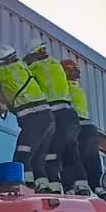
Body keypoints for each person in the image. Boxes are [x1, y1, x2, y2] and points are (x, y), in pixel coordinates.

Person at [0, 45, 55, 190]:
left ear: (0, 61)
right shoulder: (21, 67)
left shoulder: (7, 70)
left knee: (21, 156)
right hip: (48, 119)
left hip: (34, 119)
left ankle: (25, 186)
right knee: (37, 160)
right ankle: (42, 187)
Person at [22, 40, 86, 194]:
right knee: (71, 152)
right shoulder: (55, 64)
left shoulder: (36, 66)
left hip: (56, 113)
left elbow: (20, 73)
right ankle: (79, 186)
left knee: (49, 150)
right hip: (71, 116)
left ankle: (51, 185)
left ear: (34, 53)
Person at [61, 59, 103, 190]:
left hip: (77, 128)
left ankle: (73, 186)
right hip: (89, 129)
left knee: (71, 157)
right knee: (92, 160)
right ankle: (97, 187)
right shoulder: (77, 89)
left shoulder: (63, 87)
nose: (78, 73)